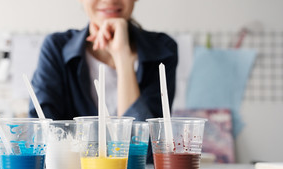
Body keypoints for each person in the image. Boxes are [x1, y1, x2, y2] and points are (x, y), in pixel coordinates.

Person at [29, 0, 177, 122]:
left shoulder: (162, 49)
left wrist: (123, 58)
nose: (110, 1)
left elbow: (147, 147)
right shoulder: (56, 48)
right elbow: (43, 135)